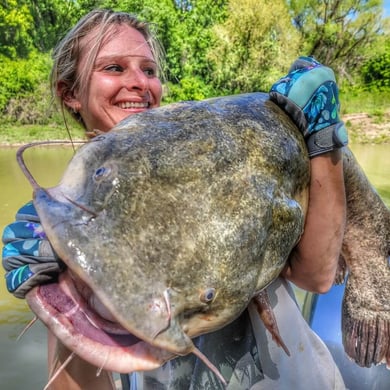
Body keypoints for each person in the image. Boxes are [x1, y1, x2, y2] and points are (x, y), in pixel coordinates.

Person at [2, 9, 347, 390]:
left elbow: (316, 276)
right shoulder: (68, 220)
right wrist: (59, 302)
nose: (138, 83)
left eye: (149, 71)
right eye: (114, 68)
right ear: (70, 94)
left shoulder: (216, 154)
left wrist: (323, 140)